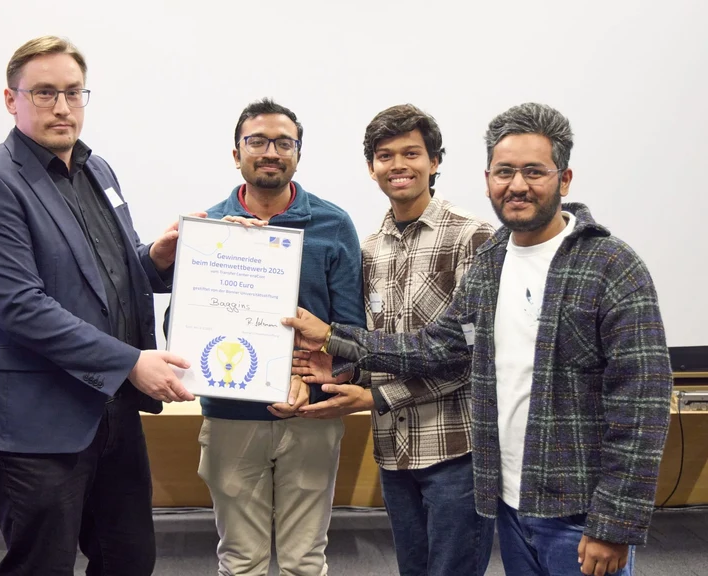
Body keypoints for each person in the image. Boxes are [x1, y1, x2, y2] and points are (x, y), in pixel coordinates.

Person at [283, 103, 673, 576]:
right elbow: (438, 346)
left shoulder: (610, 265)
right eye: (504, 171)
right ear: (488, 177)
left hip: (573, 509)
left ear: (564, 179)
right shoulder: (492, 262)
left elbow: (643, 404)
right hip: (507, 498)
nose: (517, 185)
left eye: (534, 171)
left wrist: (614, 522)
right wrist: (333, 341)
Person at [0, 35, 196, 575]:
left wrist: (155, 256)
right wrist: (131, 362)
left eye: (72, 92)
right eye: (43, 93)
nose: (61, 107)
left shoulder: (96, 169)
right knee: (44, 565)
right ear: (11, 99)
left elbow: (109, 269)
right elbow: (21, 307)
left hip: (110, 408)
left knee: (128, 559)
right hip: (35, 416)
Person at [293, 104, 495, 575]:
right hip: (393, 450)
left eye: (412, 153)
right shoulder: (367, 250)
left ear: (435, 161)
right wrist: (340, 370)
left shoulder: (472, 238)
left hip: (456, 450)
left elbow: (469, 356)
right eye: (385, 156)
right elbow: (376, 347)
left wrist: (373, 395)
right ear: (371, 168)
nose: (398, 165)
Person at [181, 98, 366, 575]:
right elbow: (182, 330)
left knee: (305, 561)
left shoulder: (333, 224)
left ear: (297, 155)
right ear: (236, 152)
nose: (271, 151)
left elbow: (352, 329)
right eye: (258, 141)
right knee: (241, 561)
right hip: (229, 419)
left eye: (284, 143)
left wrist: (316, 376)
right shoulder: (208, 229)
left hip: (310, 415)